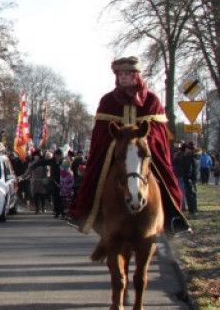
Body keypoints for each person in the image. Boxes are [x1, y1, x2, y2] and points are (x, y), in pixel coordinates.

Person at [68, 56, 190, 234]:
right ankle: (85, 214)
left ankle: (173, 218)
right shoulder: (108, 101)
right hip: (115, 149)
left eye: (127, 74)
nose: (123, 77)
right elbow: (100, 133)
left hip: (142, 149)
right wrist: (116, 140)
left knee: (163, 176)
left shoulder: (152, 101)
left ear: (136, 75)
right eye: (120, 74)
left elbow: (158, 131)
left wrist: (144, 139)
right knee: (96, 175)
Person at [174, 142, 198, 216]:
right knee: (193, 194)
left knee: (189, 194)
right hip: (193, 178)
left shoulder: (188, 158)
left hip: (188, 178)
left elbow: (188, 169)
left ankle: (192, 210)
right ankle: (193, 209)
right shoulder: (195, 157)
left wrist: (187, 176)